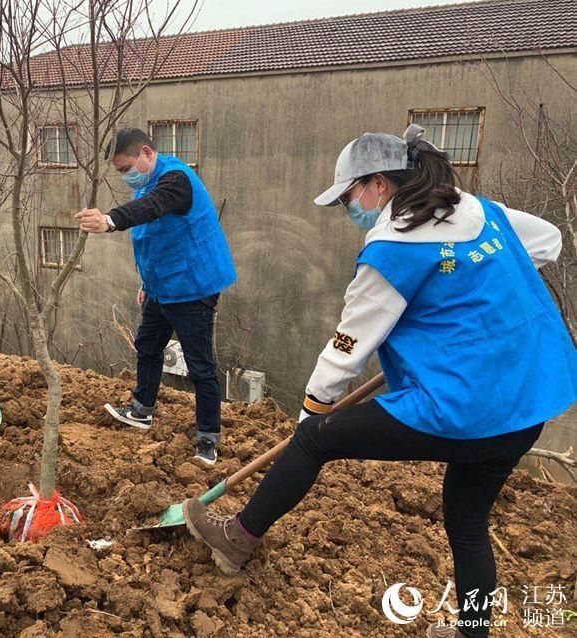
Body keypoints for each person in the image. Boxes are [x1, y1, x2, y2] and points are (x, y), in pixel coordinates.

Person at [181, 125, 577, 638]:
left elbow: (348, 345)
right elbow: (548, 240)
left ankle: (236, 539)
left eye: (349, 197)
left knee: (314, 442)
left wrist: (312, 413)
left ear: (377, 185)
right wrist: (472, 292)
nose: (350, 209)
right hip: (528, 404)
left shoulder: (392, 250)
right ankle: (473, 633)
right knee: (466, 517)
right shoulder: (479, 211)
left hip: (464, 406)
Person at [75, 128, 237, 466]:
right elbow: (154, 238)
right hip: (163, 285)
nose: (125, 176)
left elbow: (152, 208)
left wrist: (109, 220)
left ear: (147, 153)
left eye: (126, 168)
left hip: (193, 287)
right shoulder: (148, 181)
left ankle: (208, 439)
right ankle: (142, 410)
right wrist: (147, 283)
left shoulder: (176, 180)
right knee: (148, 347)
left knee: (200, 365)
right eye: (120, 171)